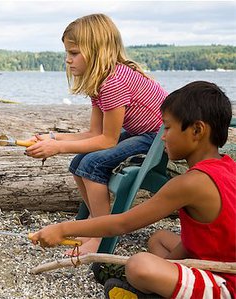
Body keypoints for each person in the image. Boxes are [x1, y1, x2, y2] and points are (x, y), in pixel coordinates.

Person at [31, 81, 235, 298]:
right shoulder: (227, 166)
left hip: (226, 283)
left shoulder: (191, 182)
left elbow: (122, 223)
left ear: (196, 130)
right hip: (215, 259)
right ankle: (166, 287)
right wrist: (169, 268)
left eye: (167, 127)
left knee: (139, 266)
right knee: (159, 239)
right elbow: (194, 239)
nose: (163, 136)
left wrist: (62, 229)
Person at [25, 13, 168, 255]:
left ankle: (101, 235)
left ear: (97, 51)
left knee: (92, 164)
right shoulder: (100, 82)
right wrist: (54, 138)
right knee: (78, 163)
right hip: (141, 133)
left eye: (74, 53)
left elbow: (107, 140)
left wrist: (57, 148)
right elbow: (94, 132)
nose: (67, 60)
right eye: (67, 53)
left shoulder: (113, 82)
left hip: (158, 139)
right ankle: (93, 221)